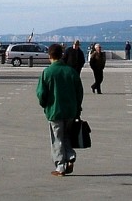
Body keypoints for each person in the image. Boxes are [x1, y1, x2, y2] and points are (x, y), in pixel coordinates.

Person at [36, 42, 83, 177]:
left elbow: (41, 93)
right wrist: (78, 107)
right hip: (70, 110)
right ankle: (70, 155)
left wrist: (44, 104)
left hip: (54, 110)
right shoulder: (71, 72)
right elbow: (79, 91)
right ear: (62, 55)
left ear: (49, 56)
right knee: (66, 135)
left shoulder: (47, 72)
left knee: (57, 138)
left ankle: (60, 166)